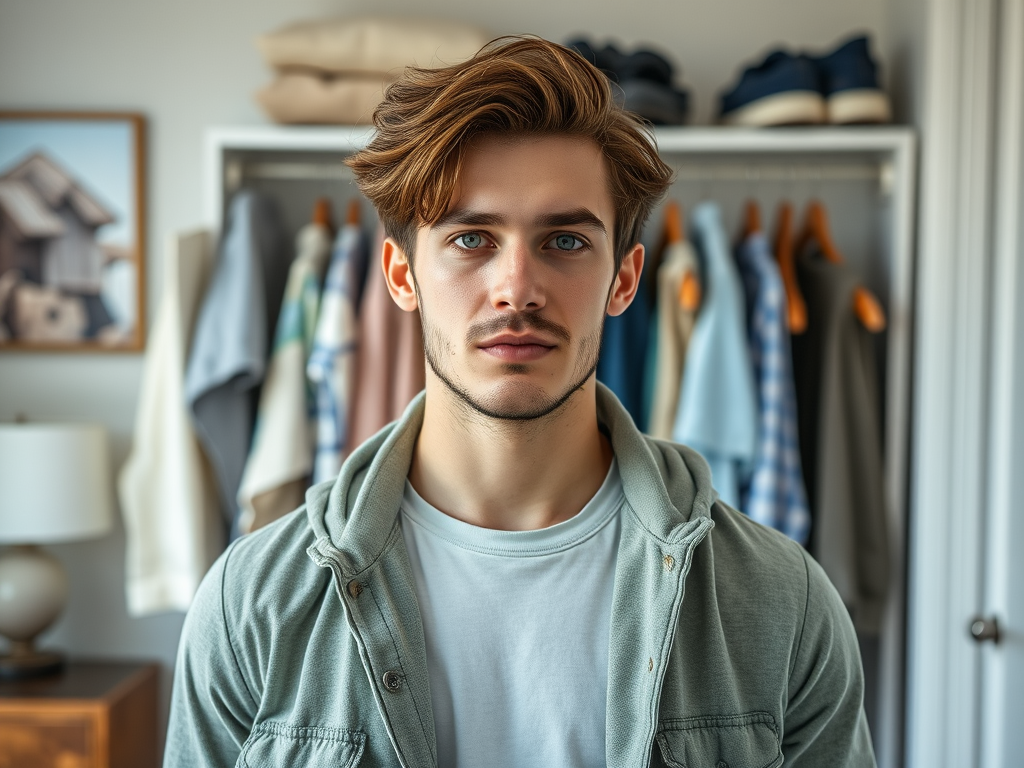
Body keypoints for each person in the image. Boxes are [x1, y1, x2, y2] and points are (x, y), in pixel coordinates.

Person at [165, 37, 875, 768]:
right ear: (401, 276)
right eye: (471, 238)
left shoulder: (779, 601)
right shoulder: (253, 604)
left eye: (565, 241)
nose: (516, 288)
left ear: (624, 280)